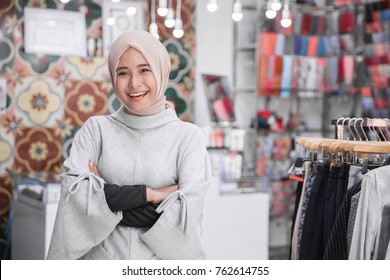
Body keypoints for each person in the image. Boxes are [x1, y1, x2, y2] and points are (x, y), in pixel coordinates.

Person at [47, 30, 212, 260]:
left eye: (144, 70)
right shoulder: (96, 130)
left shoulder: (188, 137)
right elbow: (75, 203)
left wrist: (105, 198)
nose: (134, 83)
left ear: (161, 70)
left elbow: (184, 219)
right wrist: (154, 195)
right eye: (122, 73)